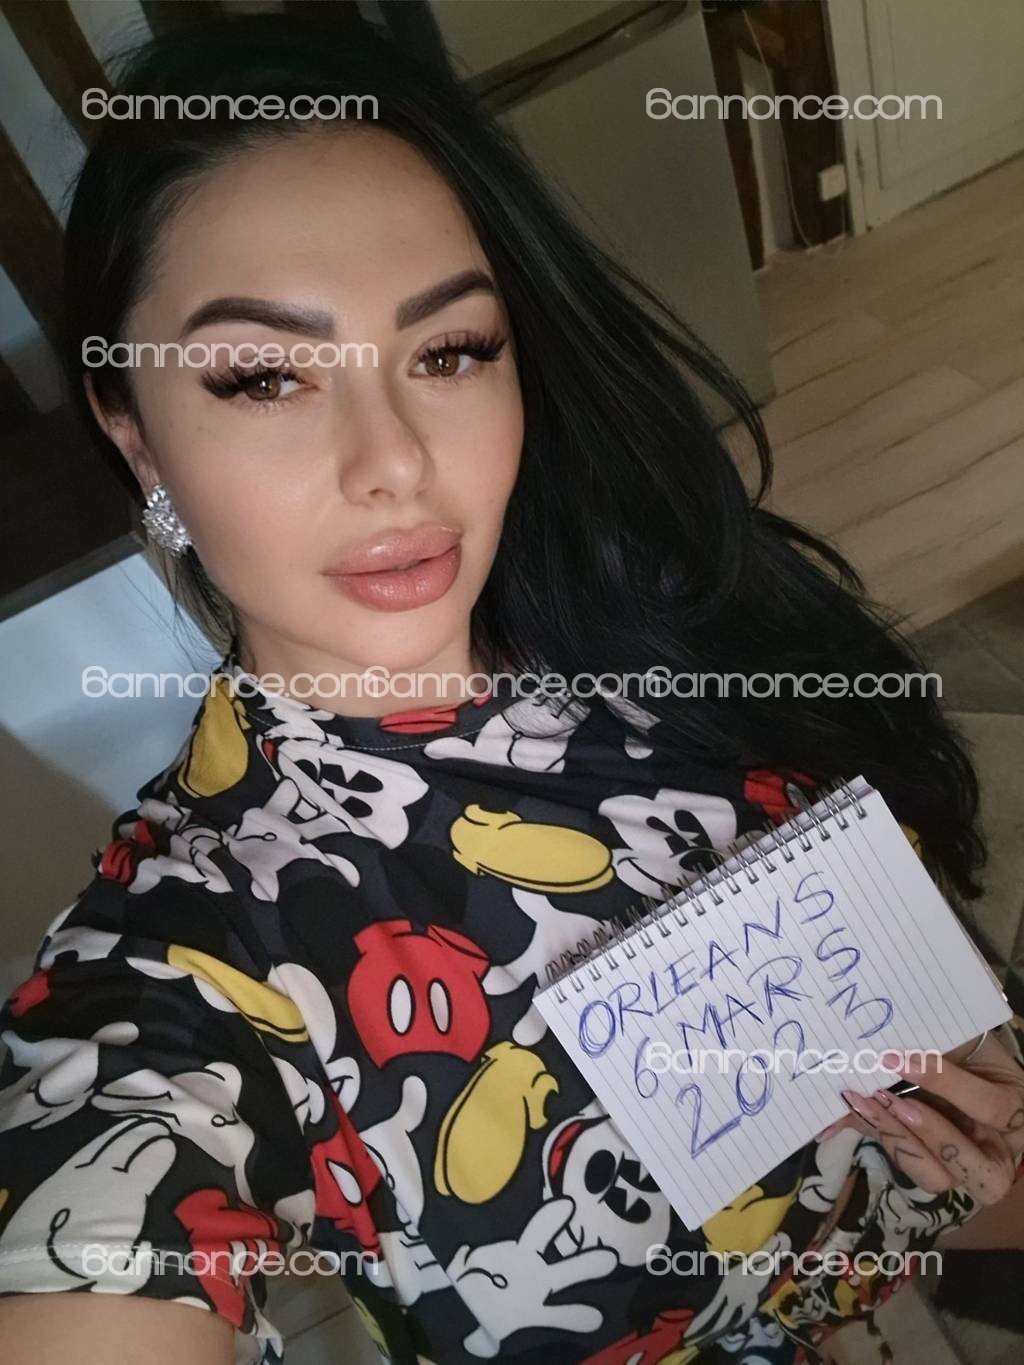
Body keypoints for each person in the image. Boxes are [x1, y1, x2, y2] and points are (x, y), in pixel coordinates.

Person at [1, 13, 1022, 1365]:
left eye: (449, 351)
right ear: (135, 433)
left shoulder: (680, 630)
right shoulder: (185, 953)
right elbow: (96, 1229)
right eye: (264, 376)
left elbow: (964, 1179)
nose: (394, 461)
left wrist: (985, 1156)